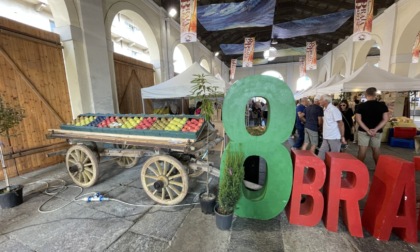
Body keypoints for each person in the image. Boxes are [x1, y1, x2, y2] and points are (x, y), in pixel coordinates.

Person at [355, 87, 389, 164]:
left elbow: (358, 120)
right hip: (377, 132)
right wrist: (376, 129)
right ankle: (378, 169)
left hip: (363, 131)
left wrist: (367, 130)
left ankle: (359, 169)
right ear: (375, 95)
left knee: (362, 150)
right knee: (376, 150)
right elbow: (386, 119)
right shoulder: (382, 106)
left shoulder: (361, 106)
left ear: (366, 94)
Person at [317, 94, 347, 160]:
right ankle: (321, 168)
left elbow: (341, 123)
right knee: (321, 154)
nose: (319, 101)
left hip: (334, 137)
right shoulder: (325, 109)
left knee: (334, 157)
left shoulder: (333, 109)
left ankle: (335, 170)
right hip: (326, 136)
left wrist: (342, 136)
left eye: (321, 99)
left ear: (326, 101)